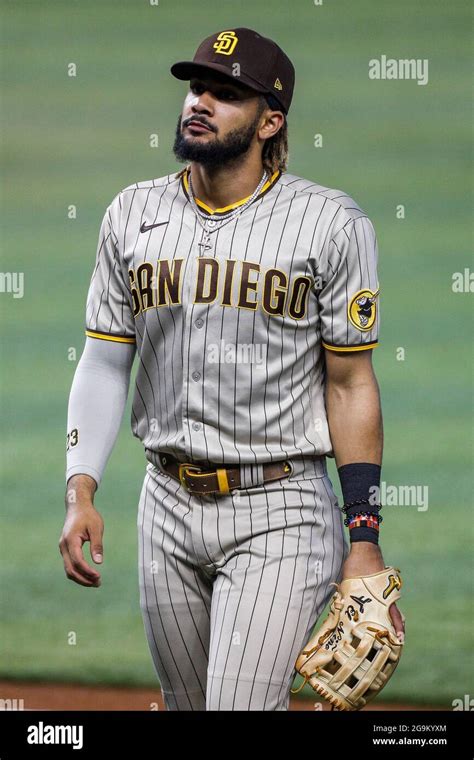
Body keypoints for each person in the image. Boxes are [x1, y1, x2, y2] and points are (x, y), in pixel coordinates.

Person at [60, 27, 404, 711]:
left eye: (227, 93)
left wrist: (364, 540)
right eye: (197, 88)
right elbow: (103, 361)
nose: (201, 102)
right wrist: (81, 491)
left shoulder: (331, 224)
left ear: (270, 119)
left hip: (281, 508)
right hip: (165, 505)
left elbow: (351, 383)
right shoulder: (132, 213)